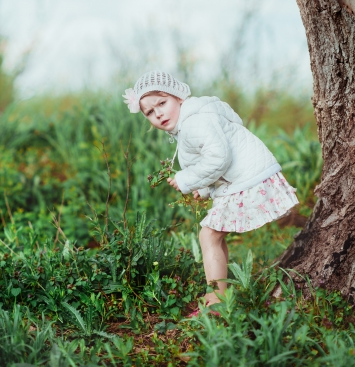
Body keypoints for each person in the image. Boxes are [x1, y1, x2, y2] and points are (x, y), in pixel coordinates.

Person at [123, 70, 298, 310]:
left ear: (179, 98)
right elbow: (210, 161)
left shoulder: (195, 122)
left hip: (249, 179)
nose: (158, 114)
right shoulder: (192, 121)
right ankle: (220, 291)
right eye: (150, 113)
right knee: (213, 236)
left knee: (208, 236)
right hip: (244, 176)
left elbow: (219, 158)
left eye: (162, 103)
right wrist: (203, 187)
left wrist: (186, 179)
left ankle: (216, 299)